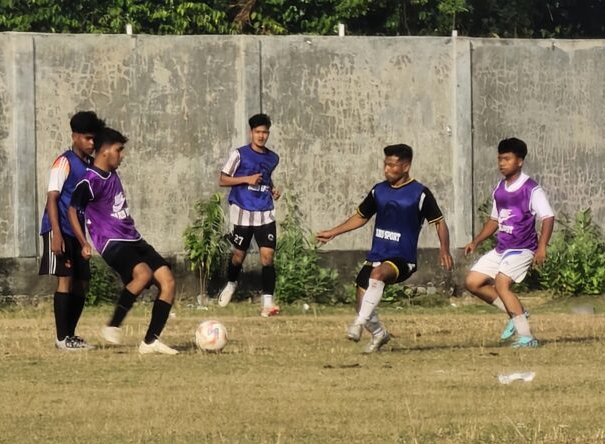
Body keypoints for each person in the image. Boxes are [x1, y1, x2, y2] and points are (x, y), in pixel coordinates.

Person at [316, 144, 454, 353]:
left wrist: (444, 249)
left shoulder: (420, 193)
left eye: (392, 165)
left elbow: (439, 222)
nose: (387, 169)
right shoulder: (378, 191)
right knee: (361, 301)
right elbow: (361, 217)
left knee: (378, 275)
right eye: (385, 165)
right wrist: (334, 232)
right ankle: (380, 334)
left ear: (406, 166)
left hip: (403, 259)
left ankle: (358, 325)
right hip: (377, 254)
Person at [67, 127, 178, 355]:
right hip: (111, 242)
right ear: (105, 151)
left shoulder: (112, 173)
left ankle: (150, 341)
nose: (122, 155)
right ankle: (113, 324)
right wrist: (83, 242)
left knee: (168, 282)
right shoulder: (89, 181)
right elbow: (72, 210)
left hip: (133, 237)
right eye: (119, 150)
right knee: (143, 274)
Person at [464, 137, 555, 348]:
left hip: (522, 248)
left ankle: (527, 337)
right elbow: (495, 220)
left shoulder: (531, 189)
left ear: (520, 161)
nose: (502, 163)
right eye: (499, 159)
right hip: (502, 249)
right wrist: (476, 241)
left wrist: (542, 247)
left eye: (507, 159)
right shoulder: (500, 188)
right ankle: (516, 313)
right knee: (472, 282)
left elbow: (548, 217)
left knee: (502, 284)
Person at [38, 111, 105, 351]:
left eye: (93, 139)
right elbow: (52, 198)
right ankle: (61, 338)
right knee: (65, 281)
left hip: (77, 232)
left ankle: (71, 336)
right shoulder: (63, 162)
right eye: (87, 138)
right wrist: (56, 233)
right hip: (59, 229)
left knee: (82, 283)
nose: (91, 143)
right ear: (74, 136)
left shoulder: (89, 166)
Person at [216, 113, 282, 317]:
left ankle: (267, 303)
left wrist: (272, 190)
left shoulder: (273, 158)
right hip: (243, 210)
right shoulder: (239, 154)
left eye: (265, 132)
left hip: (265, 212)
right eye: (258, 132)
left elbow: (265, 179)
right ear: (251, 132)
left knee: (267, 256)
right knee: (238, 255)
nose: (261, 136)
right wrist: (247, 179)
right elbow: (223, 180)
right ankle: (231, 284)